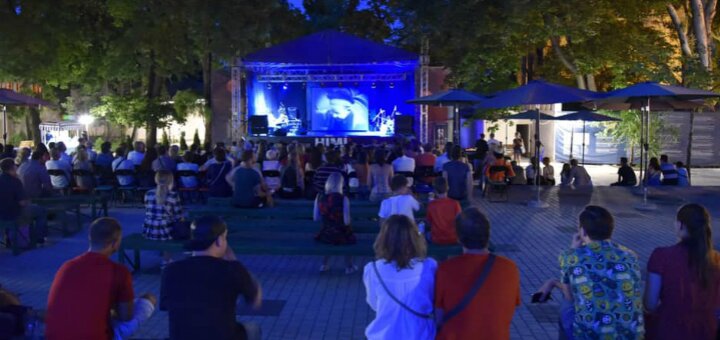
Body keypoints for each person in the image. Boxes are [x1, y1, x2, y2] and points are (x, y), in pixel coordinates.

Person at [537, 206, 644, 339]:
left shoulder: (571, 256)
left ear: (582, 231)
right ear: (611, 229)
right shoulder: (630, 255)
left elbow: (569, 295)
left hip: (590, 334)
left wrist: (572, 250)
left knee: (567, 306)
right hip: (630, 334)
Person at [45, 217, 157, 340]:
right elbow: (126, 316)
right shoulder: (119, 271)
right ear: (114, 243)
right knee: (148, 299)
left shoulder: (66, 266)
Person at [160, 215, 262, 340]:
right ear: (219, 241)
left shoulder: (171, 270)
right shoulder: (232, 269)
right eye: (225, 238)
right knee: (254, 329)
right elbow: (255, 301)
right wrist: (236, 263)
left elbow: (165, 306)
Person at [434, 207, 520, 339]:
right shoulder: (510, 268)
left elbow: (438, 318)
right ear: (488, 234)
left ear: (459, 238)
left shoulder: (445, 270)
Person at [644, 204, 720, 339]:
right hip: (706, 330)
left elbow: (650, 304)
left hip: (670, 328)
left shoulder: (661, 256)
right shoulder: (716, 260)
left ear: (680, 225)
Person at [363, 215, 436, 340]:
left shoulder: (373, 269)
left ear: (384, 239)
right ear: (414, 238)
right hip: (421, 334)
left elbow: (374, 304)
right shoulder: (429, 266)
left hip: (384, 335)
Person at [314, 172, 357, 274]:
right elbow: (346, 222)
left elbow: (316, 218)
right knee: (348, 235)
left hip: (326, 234)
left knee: (330, 237)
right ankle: (349, 266)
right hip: (341, 234)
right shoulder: (344, 199)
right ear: (341, 184)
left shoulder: (319, 197)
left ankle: (324, 265)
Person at [0, 158, 48, 245]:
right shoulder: (15, 181)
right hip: (15, 212)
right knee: (41, 210)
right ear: (12, 168)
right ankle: (39, 238)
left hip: (1, 213)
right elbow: (22, 203)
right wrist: (28, 202)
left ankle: (10, 238)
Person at [143, 170, 185, 267]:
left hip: (149, 229)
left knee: (165, 224)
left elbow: (147, 209)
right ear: (171, 181)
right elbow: (178, 216)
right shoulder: (173, 195)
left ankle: (165, 256)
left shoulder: (148, 193)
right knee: (175, 226)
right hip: (164, 230)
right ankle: (167, 260)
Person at [425, 177, 461, 245]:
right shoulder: (455, 203)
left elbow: (428, 223)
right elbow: (459, 221)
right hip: (453, 238)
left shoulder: (431, 205)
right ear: (448, 188)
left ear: (435, 190)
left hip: (436, 239)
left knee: (425, 234)